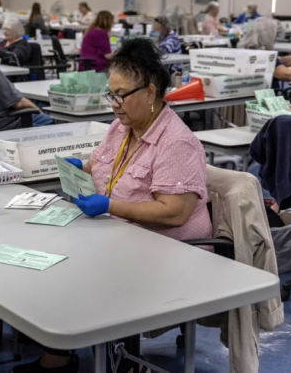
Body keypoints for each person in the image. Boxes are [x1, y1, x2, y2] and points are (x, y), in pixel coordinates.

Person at [16, 38, 213, 373]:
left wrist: (110, 204)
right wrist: (79, 168)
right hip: (117, 237)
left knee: (68, 271)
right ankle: (64, 353)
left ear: (150, 93)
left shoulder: (176, 143)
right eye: (111, 94)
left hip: (170, 253)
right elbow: (99, 166)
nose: (114, 104)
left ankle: (80, 358)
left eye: (121, 94)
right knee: (42, 256)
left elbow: (175, 212)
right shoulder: (122, 128)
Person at [237, 17, 291, 87]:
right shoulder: (264, 56)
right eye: (275, 35)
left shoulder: (246, 50)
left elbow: (278, 62)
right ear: (268, 36)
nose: (275, 38)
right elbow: (288, 75)